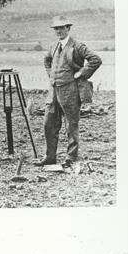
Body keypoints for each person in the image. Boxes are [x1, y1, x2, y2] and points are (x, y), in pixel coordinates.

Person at [36, 15, 101, 170]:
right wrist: (51, 75)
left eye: (61, 28)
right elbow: (46, 60)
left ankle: (71, 158)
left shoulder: (77, 46)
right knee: (48, 124)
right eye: (56, 28)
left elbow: (95, 59)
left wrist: (81, 73)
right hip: (53, 91)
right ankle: (50, 156)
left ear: (68, 28)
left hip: (70, 91)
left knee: (71, 125)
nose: (58, 31)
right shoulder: (53, 47)